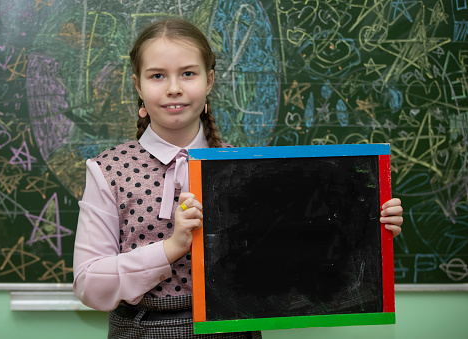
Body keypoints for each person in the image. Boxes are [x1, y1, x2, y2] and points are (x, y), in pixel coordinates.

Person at [73, 18, 404, 339]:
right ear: (137, 85)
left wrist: (364, 227)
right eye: (157, 75)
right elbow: (88, 285)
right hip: (143, 330)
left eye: (188, 73)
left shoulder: (244, 168)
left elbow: (293, 250)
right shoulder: (109, 170)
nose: (174, 88)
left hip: (233, 332)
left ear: (210, 80)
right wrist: (171, 248)